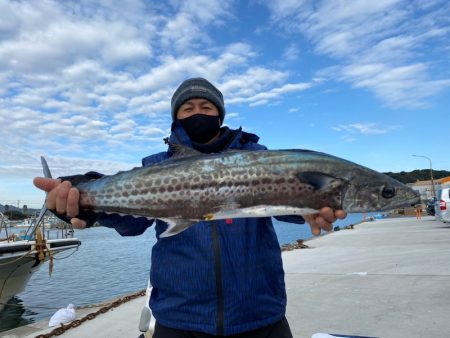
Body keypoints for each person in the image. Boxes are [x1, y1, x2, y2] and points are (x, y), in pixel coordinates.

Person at [34, 78, 347, 338]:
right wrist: (84, 204)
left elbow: (282, 207)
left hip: (260, 315)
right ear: (176, 116)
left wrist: (309, 208)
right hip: (179, 319)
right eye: (188, 107)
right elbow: (130, 224)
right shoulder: (158, 165)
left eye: (206, 106)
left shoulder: (256, 157)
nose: (198, 112)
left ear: (220, 115)